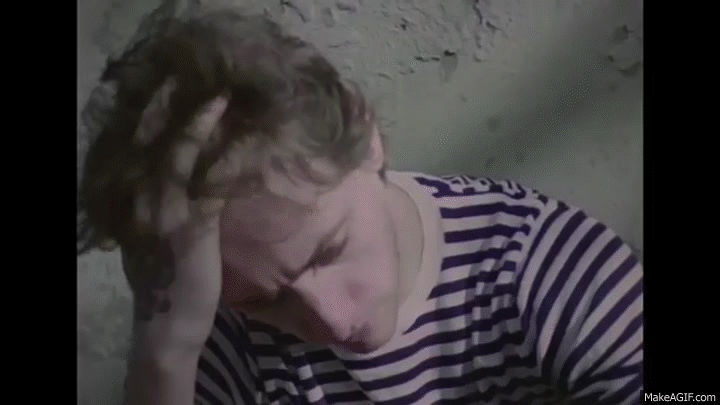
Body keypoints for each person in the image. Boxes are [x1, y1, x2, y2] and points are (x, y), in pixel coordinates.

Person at [77, 7, 643, 405]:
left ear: (366, 136)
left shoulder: (538, 265)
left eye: (331, 249)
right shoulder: (222, 332)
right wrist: (167, 353)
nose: (332, 320)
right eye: (264, 300)